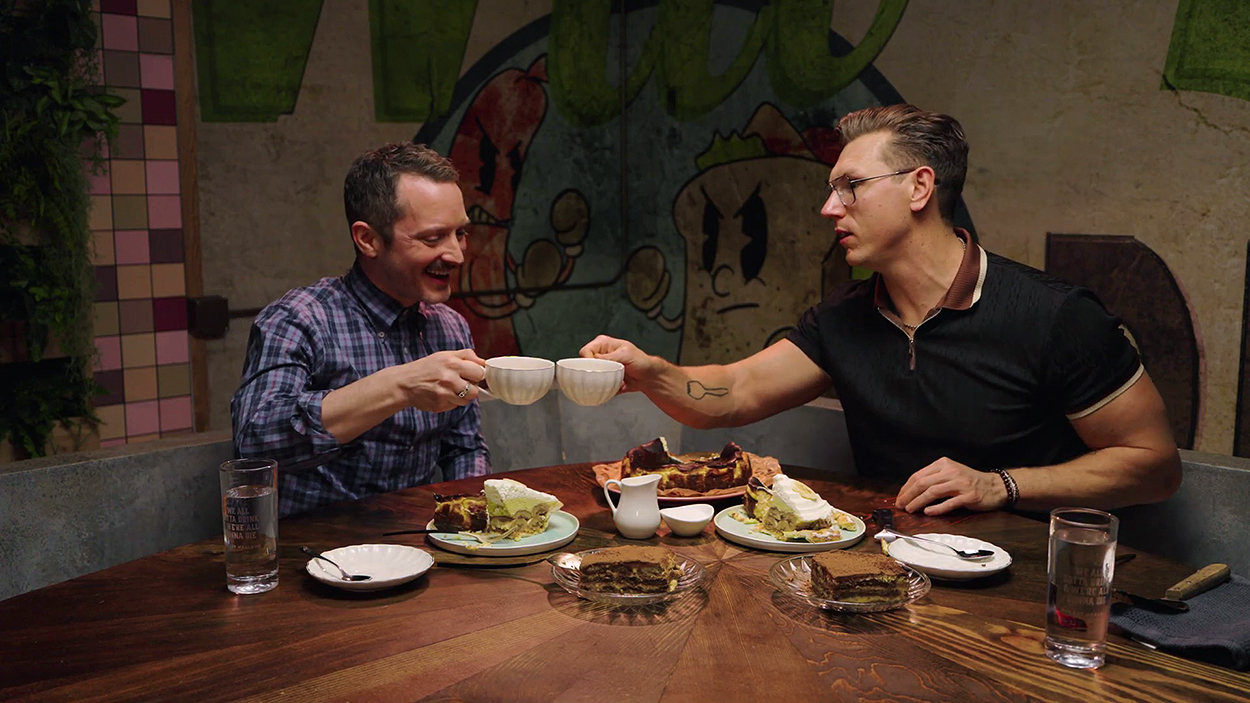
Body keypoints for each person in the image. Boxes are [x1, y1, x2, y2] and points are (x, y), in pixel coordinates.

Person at [581, 104, 1181, 515]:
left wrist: (1000, 485)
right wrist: (650, 372)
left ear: (919, 187)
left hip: (1021, 593)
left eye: (851, 186)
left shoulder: (1055, 316)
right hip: (884, 575)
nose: (829, 208)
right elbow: (736, 391)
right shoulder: (844, 317)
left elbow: (1153, 466)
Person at [232, 142, 490, 516]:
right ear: (368, 239)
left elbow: (464, 448)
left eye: (460, 233)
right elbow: (255, 442)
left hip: (417, 539)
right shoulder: (299, 319)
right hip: (318, 545)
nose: (457, 255)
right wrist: (399, 386)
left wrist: (472, 522)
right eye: (433, 238)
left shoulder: (450, 328)